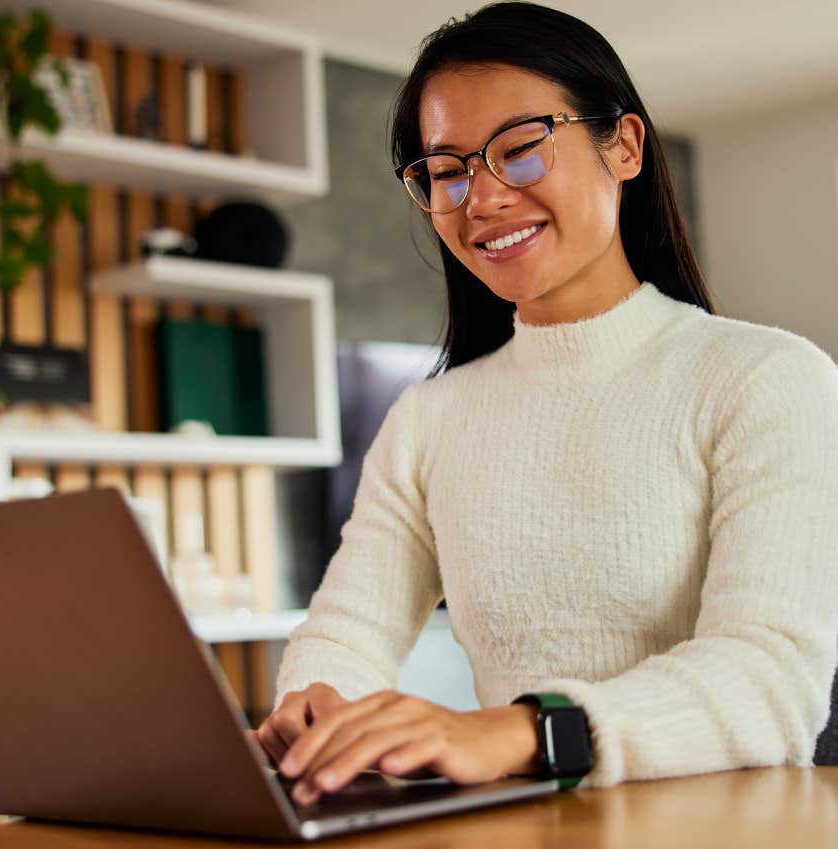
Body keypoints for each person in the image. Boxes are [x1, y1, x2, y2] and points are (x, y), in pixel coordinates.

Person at [256, 1, 838, 806]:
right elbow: (348, 629)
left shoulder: (765, 378)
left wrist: (527, 731)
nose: (481, 198)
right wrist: (316, 707)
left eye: (520, 151)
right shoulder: (428, 420)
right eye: (447, 170)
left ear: (624, 146)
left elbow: (771, 679)